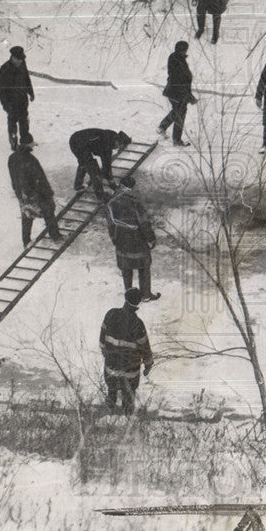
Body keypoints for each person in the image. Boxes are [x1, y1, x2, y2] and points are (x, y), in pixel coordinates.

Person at [99, 287, 154, 416]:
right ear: (138, 303)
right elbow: (145, 348)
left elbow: (102, 338)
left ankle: (109, 415)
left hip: (111, 365)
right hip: (131, 369)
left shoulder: (111, 314)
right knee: (129, 395)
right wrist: (148, 365)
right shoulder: (138, 323)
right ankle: (127, 418)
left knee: (111, 389)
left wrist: (105, 352)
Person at [107, 174, 161, 302]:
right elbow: (144, 223)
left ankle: (129, 296)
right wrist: (151, 239)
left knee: (126, 269)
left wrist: (115, 239)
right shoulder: (134, 202)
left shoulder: (112, 202)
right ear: (132, 187)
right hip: (137, 240)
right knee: (143, 267)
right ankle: (146, 295)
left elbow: (110, 224)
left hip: (122, 242)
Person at [7, 135, 62, 248]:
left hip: (21, 192)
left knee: (27, 214)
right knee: (48, 211)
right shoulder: (30, 159)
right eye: (31, 144)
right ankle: (55, 237)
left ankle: (26, 241)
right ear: (27, 145)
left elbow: (15, 177)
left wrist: (19, 191)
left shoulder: (12, 157)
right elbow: (39, 177)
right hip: (34, 192)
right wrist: (48, 192)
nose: (33, 146)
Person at [69, 128, 131, 200]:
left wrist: (110, 180)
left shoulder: (110, 138)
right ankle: (100, 196)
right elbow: (106, 165)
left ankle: (78, 185)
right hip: (78, 143)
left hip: (78, 140)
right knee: (94, 169)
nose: (118, 148)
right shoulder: (106, 144)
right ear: (117, 141)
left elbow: (106, 164)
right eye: (120, 146)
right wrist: (111, 181)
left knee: (84, 163)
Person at [157, 41, 198, 146]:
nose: (186, 52)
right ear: (181, 50)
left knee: (177, 110)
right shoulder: (177, 60)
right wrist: (189, 96)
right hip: (177, 92)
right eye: (185, 50)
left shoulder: (177, 58)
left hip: (175, 92)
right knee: (180, 114)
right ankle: (176, 140)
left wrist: (188, 95)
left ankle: (162, 127)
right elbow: (180, 80)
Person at [0, 45, 35, 151]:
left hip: (23, 99)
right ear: (13, 57)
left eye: (21, 59)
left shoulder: (22, 65)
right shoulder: (5, 69)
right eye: (18, 59)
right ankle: (14, 144)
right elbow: (1, 90)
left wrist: (31, 92)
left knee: (24, 121)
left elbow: (27, 79)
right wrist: (5, 105)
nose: (20, 62)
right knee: (13, 121)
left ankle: (25, 141)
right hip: (11, 102)